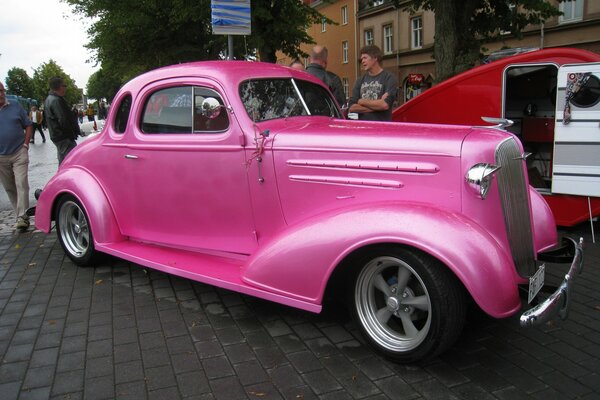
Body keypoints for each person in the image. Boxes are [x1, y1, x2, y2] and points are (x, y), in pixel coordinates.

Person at [0, 82, 33, 230]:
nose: (0, 93)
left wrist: (26, 145)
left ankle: (22, 216)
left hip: (19, 151)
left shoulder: (15, 105)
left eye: (1, 90)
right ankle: (19, 214)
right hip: (1, 156)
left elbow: (28, 124)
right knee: (9, 187)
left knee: (21, 183)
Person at [348, 45, 398, 121]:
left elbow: (384, 105)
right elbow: (352, 107)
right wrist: (378, 105)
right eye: (361, 59)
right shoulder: (360, 80)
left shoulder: (389, 78)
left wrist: (361, 101)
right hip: (364, 128)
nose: (362, 61)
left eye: (365, 58)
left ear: (375, 58)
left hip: (381, 129)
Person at [44, 77, 80, 164]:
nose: (66, 88)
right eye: (65, 85)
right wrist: (72, 133)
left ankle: (62, 176)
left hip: (58, 136)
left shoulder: (49, 99)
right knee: (71, 161)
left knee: (63, 160)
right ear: (60, 87)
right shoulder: (56, 100)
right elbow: (63, 120)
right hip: (64, 137)